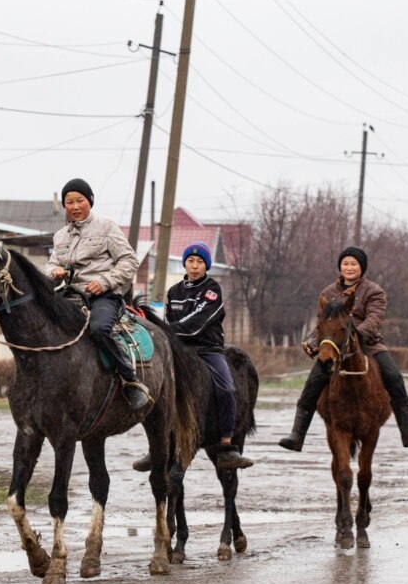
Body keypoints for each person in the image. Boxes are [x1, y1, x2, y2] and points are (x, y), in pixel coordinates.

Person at [278, 246, 408, 451]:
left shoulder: (374, 291)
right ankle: (297, 435)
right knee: (312, 384)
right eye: (345, 263)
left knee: (394, 376)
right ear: (340, 267)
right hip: (335, 347)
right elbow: (324, 324)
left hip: (368, 344)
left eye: (353, 264)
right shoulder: (328, 293)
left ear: (362, 267)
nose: (349, 267)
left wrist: (356, 335)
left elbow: (374, 319)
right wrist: (315, 343)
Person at [45, 178, 150, 410]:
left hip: (104, 297)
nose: (74, 206)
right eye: (69, 202)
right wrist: (55, 272)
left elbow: (130, 260)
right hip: (71, 296)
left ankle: (130, 380)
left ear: (89, 201)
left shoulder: (107, 227)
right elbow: (49, 265)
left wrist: (104, 282)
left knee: (99, 328)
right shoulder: (59, 236)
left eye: (79, 200)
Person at [164, 242, 253, 470]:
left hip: (208, 350)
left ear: (207, 266)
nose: (195, 266)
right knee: (158, 387)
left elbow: (197, 322)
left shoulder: (212, 289)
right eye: (191, 261)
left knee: (227, 388)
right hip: (180, 352)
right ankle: (159, 444)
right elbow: (168, 319)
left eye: (200, 262)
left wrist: (168, 331)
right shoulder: (173, 292)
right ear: (184, 263)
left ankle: (226, 444)